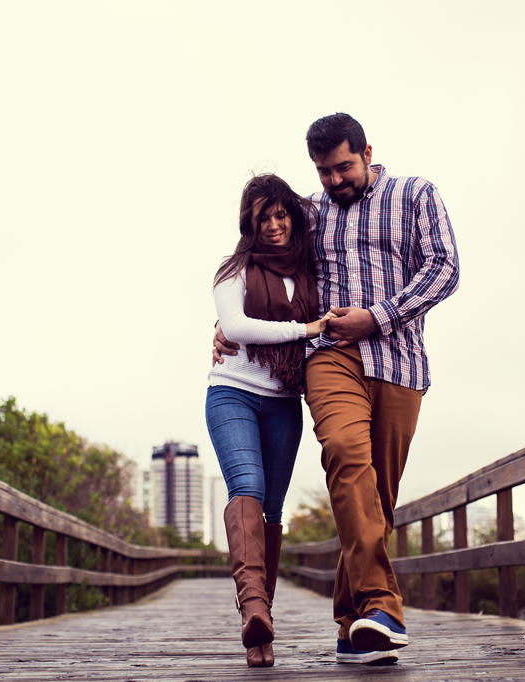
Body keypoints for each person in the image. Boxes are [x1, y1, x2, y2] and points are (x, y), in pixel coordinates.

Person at [214, 114, 460, 665]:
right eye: (324, 172)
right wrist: (227, 323)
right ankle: (382, 606)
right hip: (329, 357)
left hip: (399, 360)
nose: (334, 180)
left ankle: (353, 625)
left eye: (344, 167)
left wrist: (377, 316)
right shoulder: (308, 212)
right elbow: (259, 259)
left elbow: (445, 269)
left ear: (367, 152)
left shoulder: (415, 195)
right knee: (346, 454)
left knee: (378, 497)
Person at [206, 174, 336, 668]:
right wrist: (305, 329)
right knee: (249, 487)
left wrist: (310, 327)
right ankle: (253, 608)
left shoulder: (310, 271)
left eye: (282, 215)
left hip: (283, 400)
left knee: (274, 511)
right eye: (264, 217)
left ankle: (262, 629)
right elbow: (236, 325)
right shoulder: (233, 270)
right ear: (250, 222)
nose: (275, 225)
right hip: (232, 393)